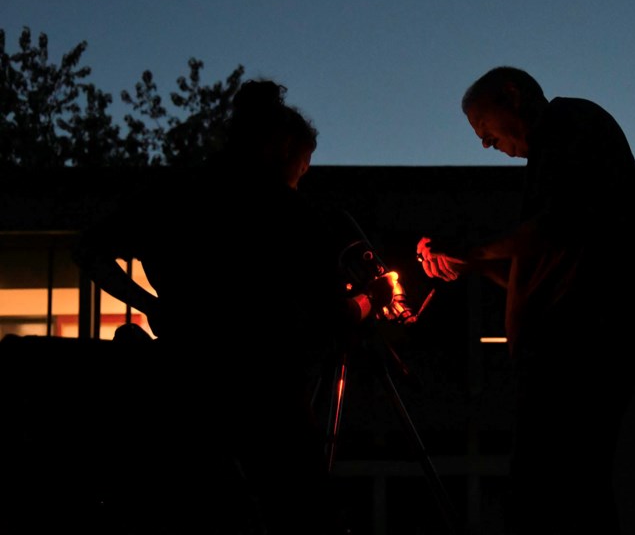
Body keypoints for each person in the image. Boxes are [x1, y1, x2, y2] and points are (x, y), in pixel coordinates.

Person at [72, 79, 400, 535]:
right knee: (301, 515)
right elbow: (334, 318)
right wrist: (373, 299)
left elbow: (88, 249)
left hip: (184, 387)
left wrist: (148, 302)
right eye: (303, 168)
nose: (302, 178)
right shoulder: (289, 215)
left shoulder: (174, 193)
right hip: (270, 396)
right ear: (285, 151)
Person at [416, 66, 635, 535]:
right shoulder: (553, 153)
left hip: (587, 344)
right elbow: (537, 268)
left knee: (556, 490)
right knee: (567, 489)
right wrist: (472, 265)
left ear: (512, 96)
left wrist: (474, 251)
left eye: (484, 127)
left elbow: (559, 227)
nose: (485, 144)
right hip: (571, 348)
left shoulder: (571, 125)